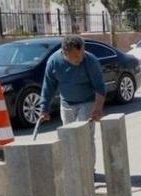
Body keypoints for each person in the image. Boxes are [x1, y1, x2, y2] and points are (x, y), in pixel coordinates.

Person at [39, 35, 106, 164]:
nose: (80, 59)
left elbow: (100, 87)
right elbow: (48, 87)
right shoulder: (54, 62)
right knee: (68, 137)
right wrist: (44, 109)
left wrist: (97, 109)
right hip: (66, 103)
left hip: (87, 102)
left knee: (86, 137)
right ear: (65, 53)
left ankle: (88, 171)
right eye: (75, 57)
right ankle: (73, 169)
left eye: (81, 54)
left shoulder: (90, 61)